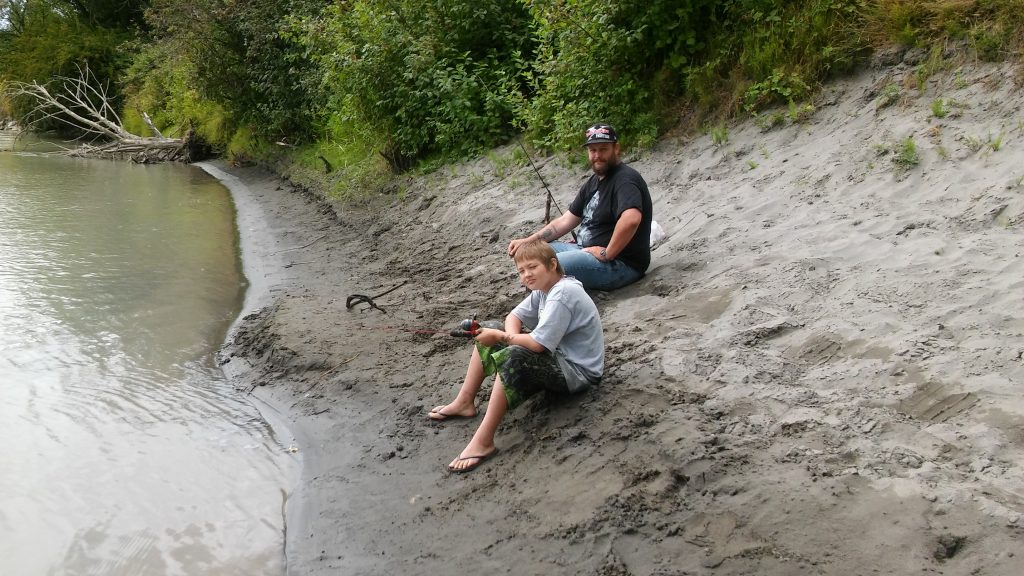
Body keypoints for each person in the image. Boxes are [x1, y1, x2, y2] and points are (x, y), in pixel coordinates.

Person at [427, 240, 604, 473]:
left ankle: (484, 441)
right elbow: (513, 316)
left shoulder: (563, 293)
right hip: (558, 359)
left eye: (532, 267)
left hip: (578, 373)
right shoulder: (544, 290)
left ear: (552, 265)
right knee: (489, 327)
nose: (526, 275)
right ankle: (464, 402)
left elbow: (538, 345)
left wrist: (505, 340)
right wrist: (506, 336)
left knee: (513, 353)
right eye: (521, 271)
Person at [508, 123, 653, 291]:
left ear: (616, 148)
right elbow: (565, 221)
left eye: (603, 149)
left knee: (546, 266)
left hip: (620, 264)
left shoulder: (625, 180)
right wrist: (527, 242)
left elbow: (631, 219)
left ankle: (543, 306)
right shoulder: (593, 182)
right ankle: (543, 296)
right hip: (584, 249)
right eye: (593, 150)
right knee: (530, 256)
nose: (597, 155)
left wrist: (608, 253)